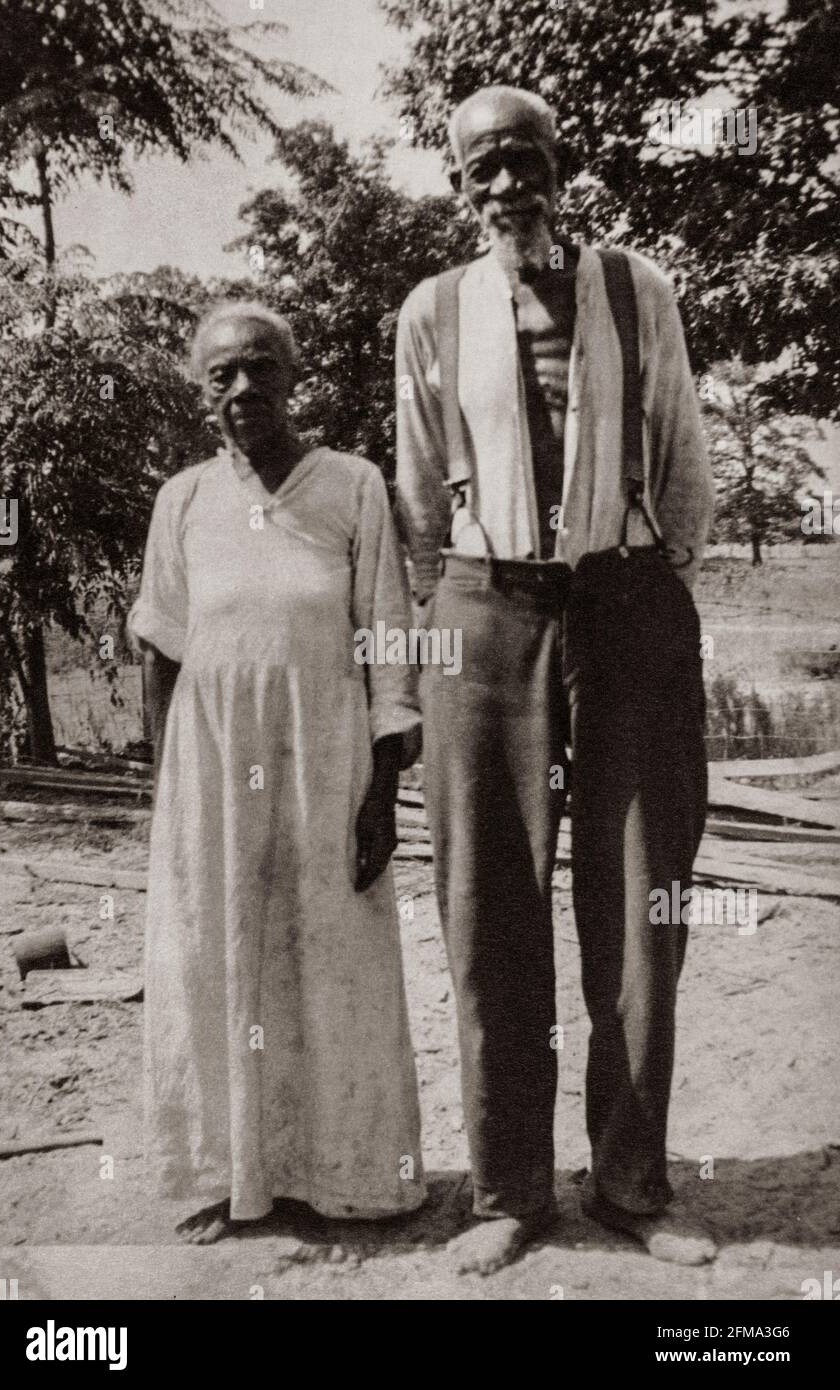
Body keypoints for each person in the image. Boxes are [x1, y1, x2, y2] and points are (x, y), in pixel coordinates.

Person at [396, 86, 715, 1275]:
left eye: (523, 163)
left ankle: (633, 1181)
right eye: (481, 172)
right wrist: (471, 600)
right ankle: (509, 1189)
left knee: (641, 903)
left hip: (625, 602)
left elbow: (682, 453)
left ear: (559, 166)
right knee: (488, 904)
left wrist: (641, 586)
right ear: (462, 190)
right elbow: (422, 488)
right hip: (485, 611)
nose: (504, 189)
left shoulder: (639, 289)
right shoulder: (432, 311)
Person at [128, 300, 425, 1244]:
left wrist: (383, 786)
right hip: (213, 767)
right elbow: (162, 647)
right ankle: (234, 1174)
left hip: (325, 758)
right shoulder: (182, 499)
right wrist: (168, 789)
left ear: (294, 377)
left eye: (261, 367)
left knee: (332, 955)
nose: (243, 389)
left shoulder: (353, 486)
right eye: (222, 375)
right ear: (200, 391)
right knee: (218, 956)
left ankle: (345, 1177)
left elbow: (386, 632)